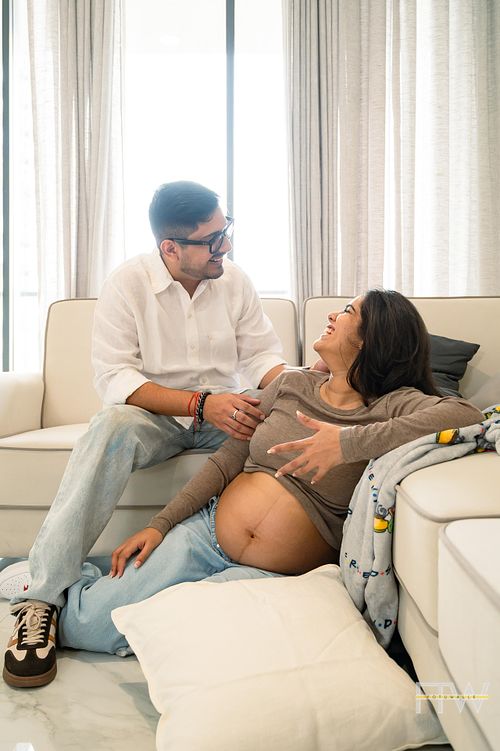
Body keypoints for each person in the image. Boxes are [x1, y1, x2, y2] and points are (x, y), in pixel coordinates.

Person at [4, 290, 484, 688]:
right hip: (207, 535)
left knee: (189, 641)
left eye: (347, 312)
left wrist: (347, 443)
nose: (332, 316)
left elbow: (467, 415)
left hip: (275, 573)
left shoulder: (394, 405)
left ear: (372, 336)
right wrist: (160, 525)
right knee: (84, 627)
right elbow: (227, 460)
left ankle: (109, 589)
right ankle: (47, 578)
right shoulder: (291, 386)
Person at [2, 180, 286, 689]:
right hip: (157, 418)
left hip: (225, 419)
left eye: (225, 231)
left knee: (278, 422)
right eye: (212, 239)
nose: (225, 246)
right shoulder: (127, 284)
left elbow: (261, 354)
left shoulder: (235, 281)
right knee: (109, 425)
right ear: (170, 247)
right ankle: (40, 600)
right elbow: (116, 379)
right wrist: (200, 403)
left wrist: (296, 388)